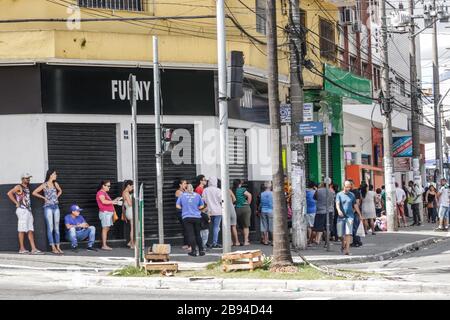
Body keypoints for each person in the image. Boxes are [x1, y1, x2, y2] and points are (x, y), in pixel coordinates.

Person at [6, 173, 43, 254]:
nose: (28, 180)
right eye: (26, 178)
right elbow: (9, 193)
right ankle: (22, 249)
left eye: (29, 178)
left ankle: (33, 249)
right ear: (22, 179)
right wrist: (16, 202)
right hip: (22, 210)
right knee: (22, 229)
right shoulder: (18, 186)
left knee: (30, 229)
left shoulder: (27, 187)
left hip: (28, 211)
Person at [32, 169, 63, 254]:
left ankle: (58, 247)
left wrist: (57, 196)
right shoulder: (44, 185)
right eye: (54, 174)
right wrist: (44, 198)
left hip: (56, 207)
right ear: (50, 175)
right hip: (48, 207)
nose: (56, 175)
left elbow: (60, 190)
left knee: (56, 227)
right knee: (51, 227)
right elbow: (34, 192)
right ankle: (53, 247)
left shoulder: (55, 183)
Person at [176, 184, 205, 256]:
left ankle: (194, 251)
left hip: (187, 217)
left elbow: (177, 205)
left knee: (191, 234)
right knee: (198, 234)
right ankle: (201, 250)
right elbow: (202, 205)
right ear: (193, 189)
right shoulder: (197, 195)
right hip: (197, 217)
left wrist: (183, 209)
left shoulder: (182, 195)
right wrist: (196, 209)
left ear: (186, 189)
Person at [96, 180, 121, 251]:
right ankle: (104, 245)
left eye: (110, 186)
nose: (109, 187)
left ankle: (104, 244)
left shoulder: (104, 193)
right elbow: (103, 201)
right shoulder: (101, 193)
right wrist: (113, 201)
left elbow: (108, 202)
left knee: (107, 228)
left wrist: (115, 200)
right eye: (108, 186)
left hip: (108, 213)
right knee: (105, 229)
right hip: (105, 213)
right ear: (103, 186)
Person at [336, 180, 359, 255]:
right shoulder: (339, 194)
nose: (348, 188)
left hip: (350, 217)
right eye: (347, 187)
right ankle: (343, 242)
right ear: (343, 186)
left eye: (349, 187)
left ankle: (347, 250)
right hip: (341, 217)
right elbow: (337, 204)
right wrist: (339, 210)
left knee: (348, 233)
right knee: (340, 235)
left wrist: (359, 214)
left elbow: (355, 205)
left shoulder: (352, 195)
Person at [202, 176, 222, 248]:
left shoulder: (205, 190)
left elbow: (203, 200)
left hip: (209, 211)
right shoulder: (218, 190)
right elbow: (221, 201)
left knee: (209, 227)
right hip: (218, 211)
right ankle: (215, 242)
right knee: (216, 227)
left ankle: (208, 242)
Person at [232, 179, 253, 246]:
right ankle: (245, 241)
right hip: (245, 208)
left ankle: (237, 240)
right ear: (239, 184)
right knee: (246, 226)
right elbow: (249, 195)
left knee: (238, 225)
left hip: (236, 208)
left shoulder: (232, 190)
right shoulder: (242, 189)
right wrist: (248, 203)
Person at [174, 178, 190, 251]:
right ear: (180, 185)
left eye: (186, 183)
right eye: (184, 183)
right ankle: (187, 244)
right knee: (186, 228)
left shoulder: (184, 191)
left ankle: (186, 244)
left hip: (185, 212)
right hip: (181, 212)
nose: (186, 185)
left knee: (186, 228)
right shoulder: (178, 192)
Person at [259, 181, 273, 245]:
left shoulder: (261, 194)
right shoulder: (273, 194)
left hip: (263, 211)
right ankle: (273, 241)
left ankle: (266, 240)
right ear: (270, 186)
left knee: (264, 226)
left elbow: (260, 203)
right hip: (271, 211)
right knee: (271, 226)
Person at [349, 180, 363, 247]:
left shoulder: (356, 192)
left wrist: (354, 210)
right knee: (353, 228)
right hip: (352, 212)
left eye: (349, 185)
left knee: (355, 228)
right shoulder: (350, 192)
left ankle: (357, 242)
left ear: (352, 184)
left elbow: (357, 202)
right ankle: (356, 241)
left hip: (355, 212)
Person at [122, 180, 135, 249]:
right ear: (128, 185)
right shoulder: (126, 193)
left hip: (129, 211)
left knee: (133, 228)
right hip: (130, 211)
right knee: (133, 228)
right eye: (132, 186)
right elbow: (130, 204)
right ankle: (132, 244)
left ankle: (130, 242)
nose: (132, 188)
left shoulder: (124, 192)